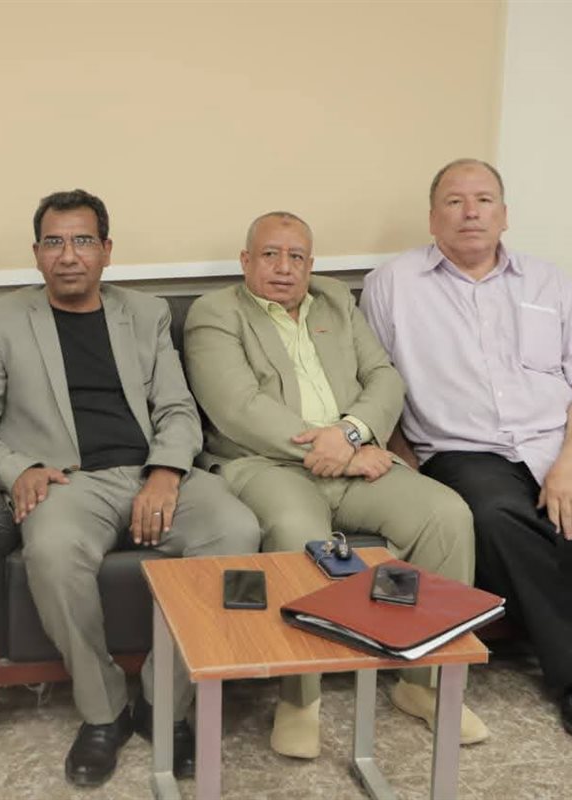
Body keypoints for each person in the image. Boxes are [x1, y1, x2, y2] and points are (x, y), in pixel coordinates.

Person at [0, 189, 261, 787]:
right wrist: (19, 469)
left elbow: (177, 409)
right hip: (67, 482)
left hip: (151, 471)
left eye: (83, 241)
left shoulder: (145, 314)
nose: (69, 256)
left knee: (237, 531)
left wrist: (165, 472)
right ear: (37, 253)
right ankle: (103, 709)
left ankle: (165, 702)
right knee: (52, 552)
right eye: (54, 242)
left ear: (107, 251)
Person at [361, 158, 572, 739]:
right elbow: (375, 383)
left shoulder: (547, 281)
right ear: (432, 218)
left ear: (504, 214)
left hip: (565, 433)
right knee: (493, 515)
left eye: (483, 200)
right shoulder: (392, 284)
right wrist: (405, 465)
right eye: (454, 201)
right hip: (465, 448)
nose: (470, 212)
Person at [183, 211, 485, 759]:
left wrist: (349, 435)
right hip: (265, 464)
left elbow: (384, 377)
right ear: (246, 261)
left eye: (296, 256)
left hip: (356, 454)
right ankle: (300, 700)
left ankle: (424, 684)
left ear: (311, 264)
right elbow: (238, 409)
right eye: (270, 254)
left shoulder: (336, 301)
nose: (284, 267)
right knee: (297, 531)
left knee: (446, 515)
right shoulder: (214, 313)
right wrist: (339, 453)